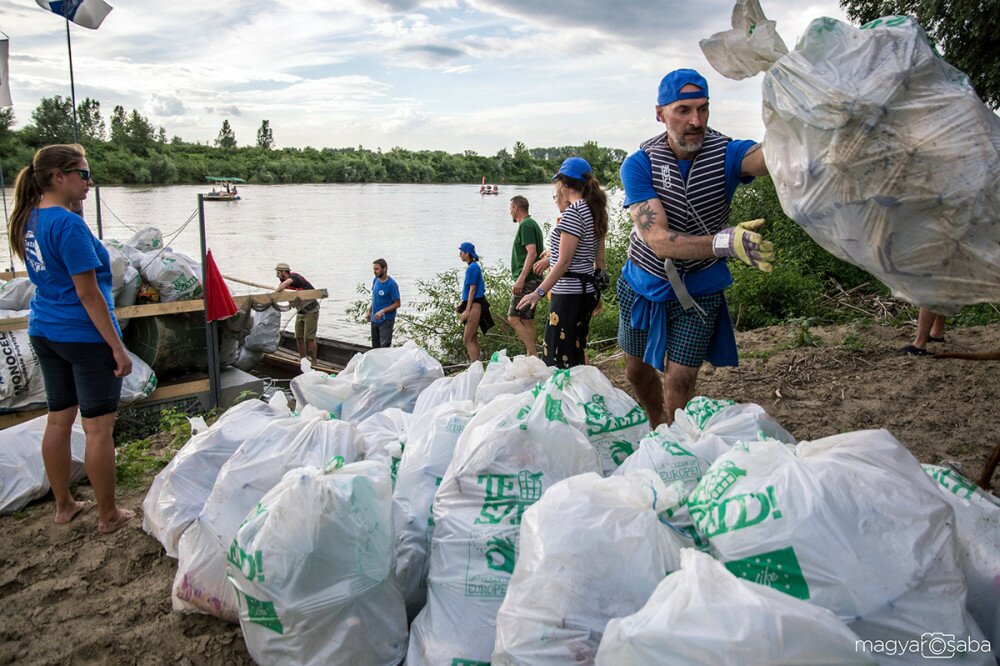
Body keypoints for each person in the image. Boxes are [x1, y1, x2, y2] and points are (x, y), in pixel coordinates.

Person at [617, 68, 775, 427]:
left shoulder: (727, 154)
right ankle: (656, 421)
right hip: (643, 283)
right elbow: (657, 240)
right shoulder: (639, 164)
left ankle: (675, 442)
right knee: (636, 371)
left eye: (703, 109)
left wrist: (794, 116)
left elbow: (767, 158)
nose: (696, 120)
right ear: (661, 114)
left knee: (680, 379)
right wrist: (725, 243)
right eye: (684, 110)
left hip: (699, 288)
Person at [7, 144, 134, 534]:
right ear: (58, 177)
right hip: (82, 334)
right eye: (83, 173)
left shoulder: (29, 217)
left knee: (59, 421)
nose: (89, 182)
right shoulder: (68, 225)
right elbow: (88, 293)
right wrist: (116, 345)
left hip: (44, 328)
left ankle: (64, 505)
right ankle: (108, 515)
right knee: (98, 429)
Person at [516, 157, 608, 368]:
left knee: (557, 359)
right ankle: (578, 397)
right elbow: (599, 259)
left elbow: (564, 263)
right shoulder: (595, 211)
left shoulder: (573, 214)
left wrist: (537, 293)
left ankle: (563, 399)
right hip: (586, 293)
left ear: (565, 185)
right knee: (575, 353)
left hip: (568, 296)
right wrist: (597, 293)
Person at [507, 195, 545, 357]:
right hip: (534, 279)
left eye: (510, 209)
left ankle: (533, 355)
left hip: (528, 280)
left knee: (513, 318)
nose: (510, 213)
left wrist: (521, 279)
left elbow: (532, 253)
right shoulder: (532, 224)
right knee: (527, 319)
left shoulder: (526, 225)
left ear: (516, 208)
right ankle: (532, 356)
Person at [274, 262, 319, 366]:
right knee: (298, 336)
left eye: (279, 273)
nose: (278, 275)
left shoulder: (295, 278)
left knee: (309, 338)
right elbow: (282, 290)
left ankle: (314, 361)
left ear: (284, 272)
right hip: (300, 311)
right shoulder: (283, 283)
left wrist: (274, 294)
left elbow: (285, 285)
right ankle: (303, 359)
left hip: (311, 310)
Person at [458, 242, 494, 362]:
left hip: (475, 305)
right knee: (473, 338)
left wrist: (467, 310)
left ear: (467, 253)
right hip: (474, 304)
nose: (460, 255)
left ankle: (475, 368)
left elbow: (472, 290)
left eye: (461, 252)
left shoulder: (472, 268)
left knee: (467, 339)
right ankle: (477, 367)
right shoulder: (473, 267)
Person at [368, 258, 401, 348]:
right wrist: (370, 311)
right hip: (375, 319)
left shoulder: (391, 284)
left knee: (384, 348)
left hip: (386, 321)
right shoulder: (375, 280)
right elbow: (375, 298)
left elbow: (397, 303)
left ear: (384, 269)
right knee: (375, 347)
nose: (374, 271)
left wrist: (382, 311)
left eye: (377, 269)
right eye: (374, 269)